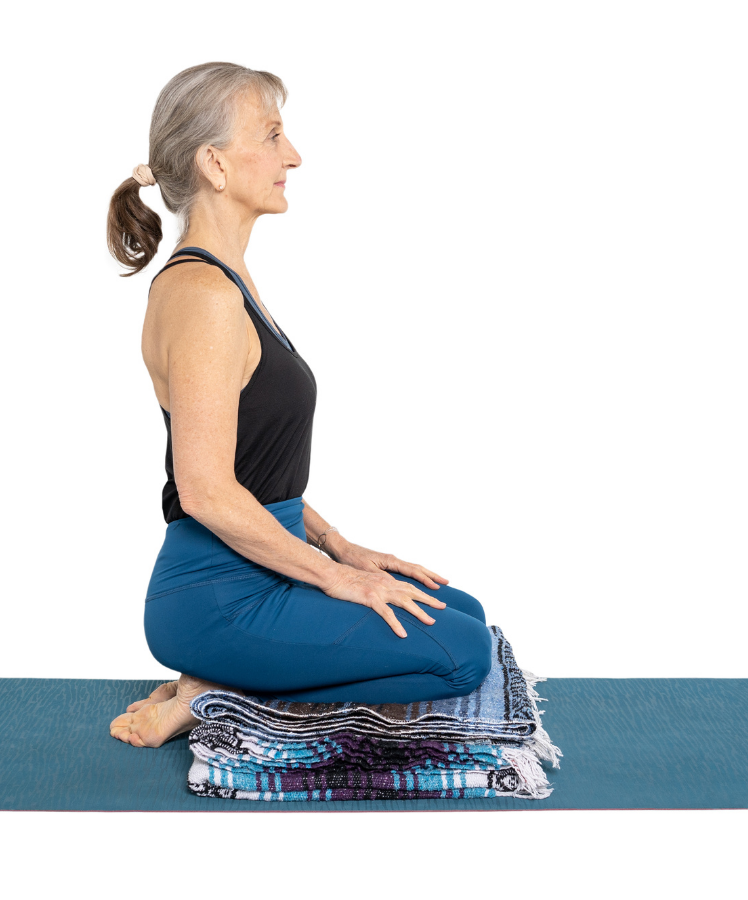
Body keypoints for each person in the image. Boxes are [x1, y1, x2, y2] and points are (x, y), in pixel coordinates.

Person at [105, 62, 493, 748]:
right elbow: (204, 491)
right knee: (461, 654)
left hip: (264, 567)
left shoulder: (229, 283)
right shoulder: (203, 299)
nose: (294, 156)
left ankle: (221, 683)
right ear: (215, 163)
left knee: (460, 612)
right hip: (218, 596)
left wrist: (344, 548)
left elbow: (254, 468)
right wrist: (336, 579)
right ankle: (220, 693)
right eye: (274, 134)